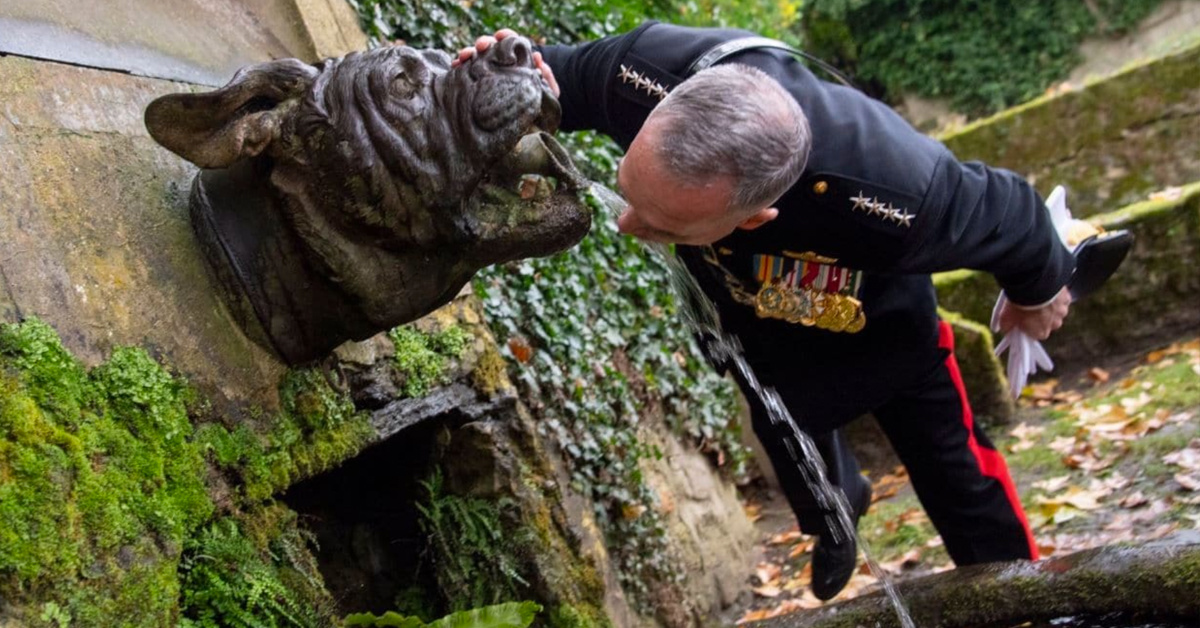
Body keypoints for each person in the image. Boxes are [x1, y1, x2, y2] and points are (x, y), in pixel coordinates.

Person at [454, 22, 1072, 601]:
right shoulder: (635, 74)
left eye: (661, 224)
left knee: (952, 464)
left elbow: (1016, 213)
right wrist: (488, 80)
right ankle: (835, 516)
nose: (626, 223)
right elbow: (542, 77)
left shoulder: (897, 194)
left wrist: (1036, 293)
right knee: (783, 418)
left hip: (878, 314)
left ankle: (1023, 591)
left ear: (753, 219)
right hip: (752, 307)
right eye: (630, 192)